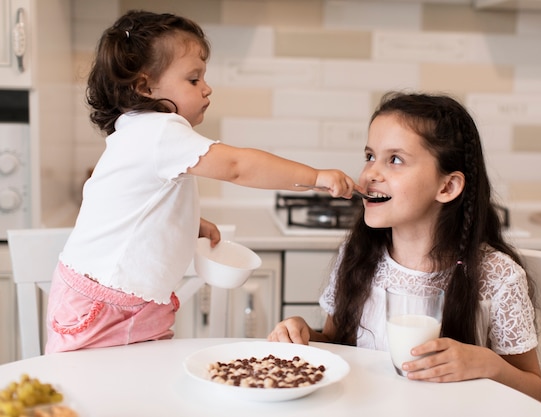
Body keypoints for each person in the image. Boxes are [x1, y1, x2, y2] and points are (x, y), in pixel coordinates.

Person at [45, 10, 357, 354]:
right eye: (194, 80)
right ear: (145, 86)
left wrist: (185, 223)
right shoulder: (160, 130)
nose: (207, 88)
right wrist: (314, 177)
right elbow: (238, 166)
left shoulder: (140, 129)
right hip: (106, 304)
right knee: (93, 394)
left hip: (121, 298)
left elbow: (136, 206)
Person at [268, 92, 541, 403]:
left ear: (447, 186)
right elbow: (335, 343)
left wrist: (487, 364)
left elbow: (535, 392)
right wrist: (303, 333)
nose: (370, 174)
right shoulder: (358, 256)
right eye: (370, 156)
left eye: (395, 160)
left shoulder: (498, 276)